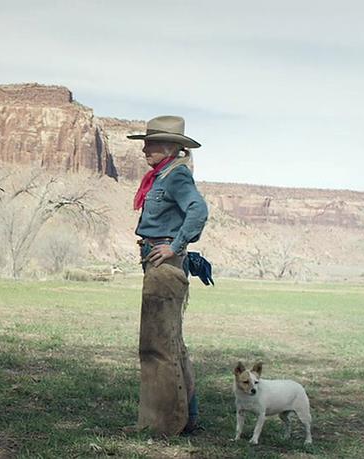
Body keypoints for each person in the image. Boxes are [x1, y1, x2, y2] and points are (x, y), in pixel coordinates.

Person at [128, 115, 208, 435]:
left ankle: (162, 424)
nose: (144, 149)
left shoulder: (175, 177)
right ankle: (186, 419)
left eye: (151, 143)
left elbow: (198, 211)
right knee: (171, 343)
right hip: (157, 262)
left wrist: (174, 246)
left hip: (164, 265)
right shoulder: (160, 177)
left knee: (157, 346)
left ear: (172, 147)